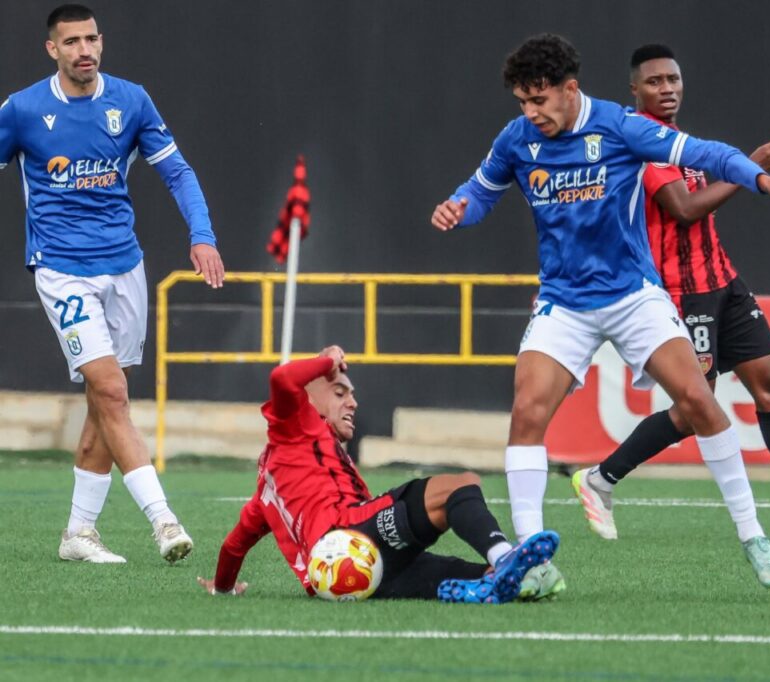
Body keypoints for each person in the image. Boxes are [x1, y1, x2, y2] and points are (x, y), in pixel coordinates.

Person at [431, 34, 770, 588]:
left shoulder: (617, 126)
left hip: (633, 295)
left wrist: (757, 177)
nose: (530, 113)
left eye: (539, 100)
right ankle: (530, 561)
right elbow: (481, 191)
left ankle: (753, 535)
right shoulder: (517, 139)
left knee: (699, 401)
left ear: (570, 90)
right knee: (526, 413)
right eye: (522, 102)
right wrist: (457, 208)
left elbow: (704, 153)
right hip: (564, 302)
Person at [572, 44, 770, 544]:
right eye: (654, 82)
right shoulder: (637, 143)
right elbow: (684, 209)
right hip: (680, 293)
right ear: (634, 90)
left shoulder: (680, 141)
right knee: (697, 407)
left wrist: (751, 173)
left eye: (673, 79)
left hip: (723, 282)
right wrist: (749, 168)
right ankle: (600, 478)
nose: (666, 89)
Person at [0, 4, 225, 563]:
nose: (85, 50)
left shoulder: (130, 100)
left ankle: (78, 534)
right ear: (51, 49)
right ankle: (163, 520)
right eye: (72, 41)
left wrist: (202, 234)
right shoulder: (24, 110)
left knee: (105, 402)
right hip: (61, 269)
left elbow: (177, 171)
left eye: (92, 39)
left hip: (125, 268)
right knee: (113, 393)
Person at [198, 346, 562, 604]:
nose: (353, 402)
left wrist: (224, 588)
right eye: (340, 392)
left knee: (464, 572)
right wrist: (326, 360)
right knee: (461, 486)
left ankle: (513, 579)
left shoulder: (267, 493)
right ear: (308, 400)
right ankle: (505, 557)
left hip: (351, 576)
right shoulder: (292, 428)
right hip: (349, 543)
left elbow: (234, 545)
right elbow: (283, 377)